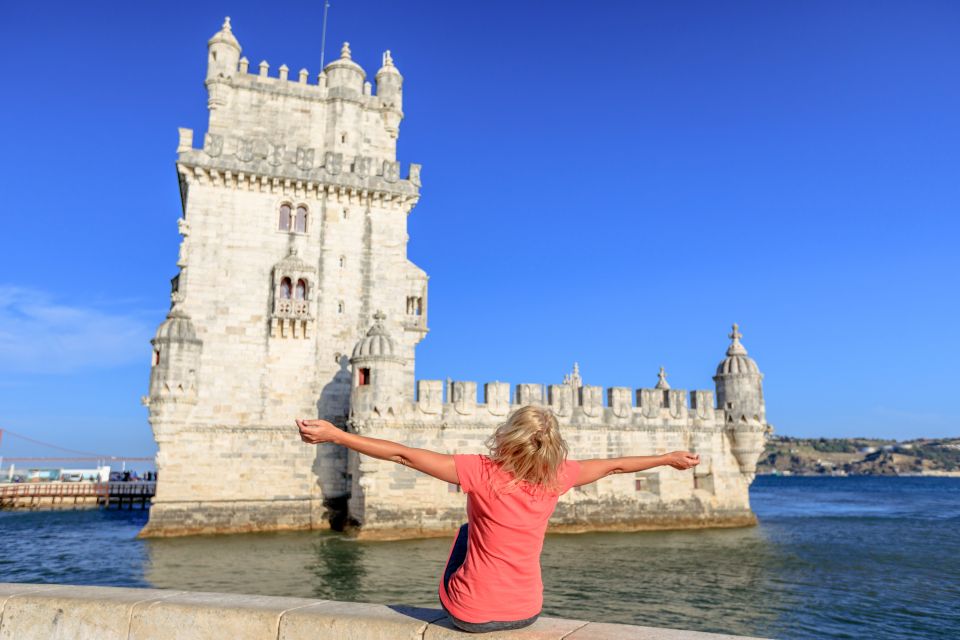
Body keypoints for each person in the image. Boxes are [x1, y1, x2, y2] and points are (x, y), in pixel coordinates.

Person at [297, 405, 699, 633]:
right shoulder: (560, 476)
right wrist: (667, 458)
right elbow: (616, 468)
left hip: (468, 613)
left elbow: (403, 455)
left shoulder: (481, 472)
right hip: (528, 611)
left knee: (467, 532)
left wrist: (336, 434)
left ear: (507, 436)